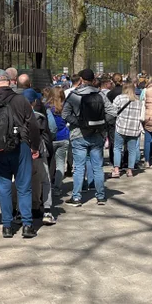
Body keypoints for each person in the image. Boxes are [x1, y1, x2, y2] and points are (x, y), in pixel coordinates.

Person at [0, 70, 41, 238]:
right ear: (10, 82)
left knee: (4, 187)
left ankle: (7, 226)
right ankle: (27, 225)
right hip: (20, 146)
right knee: (24, 187)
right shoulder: (20, 100)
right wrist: (34, 147)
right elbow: (33, 126)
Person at [63, 69, 115, 206]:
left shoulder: (74, 96)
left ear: (80, 79)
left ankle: (76, 197)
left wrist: (79, 122)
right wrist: (102, 123)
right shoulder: (100, 95)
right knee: (98, 167)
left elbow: (65, 114)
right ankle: (101, 196)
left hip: (78, 135)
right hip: (98, 134)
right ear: (93, 80)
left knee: (79, 167)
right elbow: (112, 112)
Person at [43, 88, 69, 199]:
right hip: (63, 137)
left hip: (51, 138)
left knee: (47, 164)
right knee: (60, 164)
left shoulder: (47, 108)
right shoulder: (65, 107)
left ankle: (46, 187)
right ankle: (57, 187)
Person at [111, 82, 141, 178]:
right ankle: (130, 170)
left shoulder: (119, 98)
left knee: (117, 148)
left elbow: (112, 111)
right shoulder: (138, 100)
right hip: (134, 128)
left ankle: (116, 170)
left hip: (121, 127)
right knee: (132, 150)